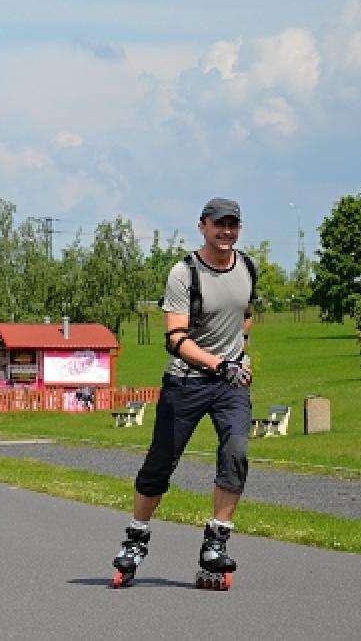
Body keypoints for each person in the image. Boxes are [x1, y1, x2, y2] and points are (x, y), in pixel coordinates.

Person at [111, 198, 256, 590]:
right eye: (219, 224)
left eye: (233, 225)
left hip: (229, 383)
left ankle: (216, 541)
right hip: (186, 381)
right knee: (161, 463)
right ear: (203, 226)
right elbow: (175, 339)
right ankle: (136, 538)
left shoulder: (247, 266)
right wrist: (218, 363)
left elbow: (243, 315)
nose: (226, 231)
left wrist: (241, 356)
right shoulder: (184, 273)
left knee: (236, 451)